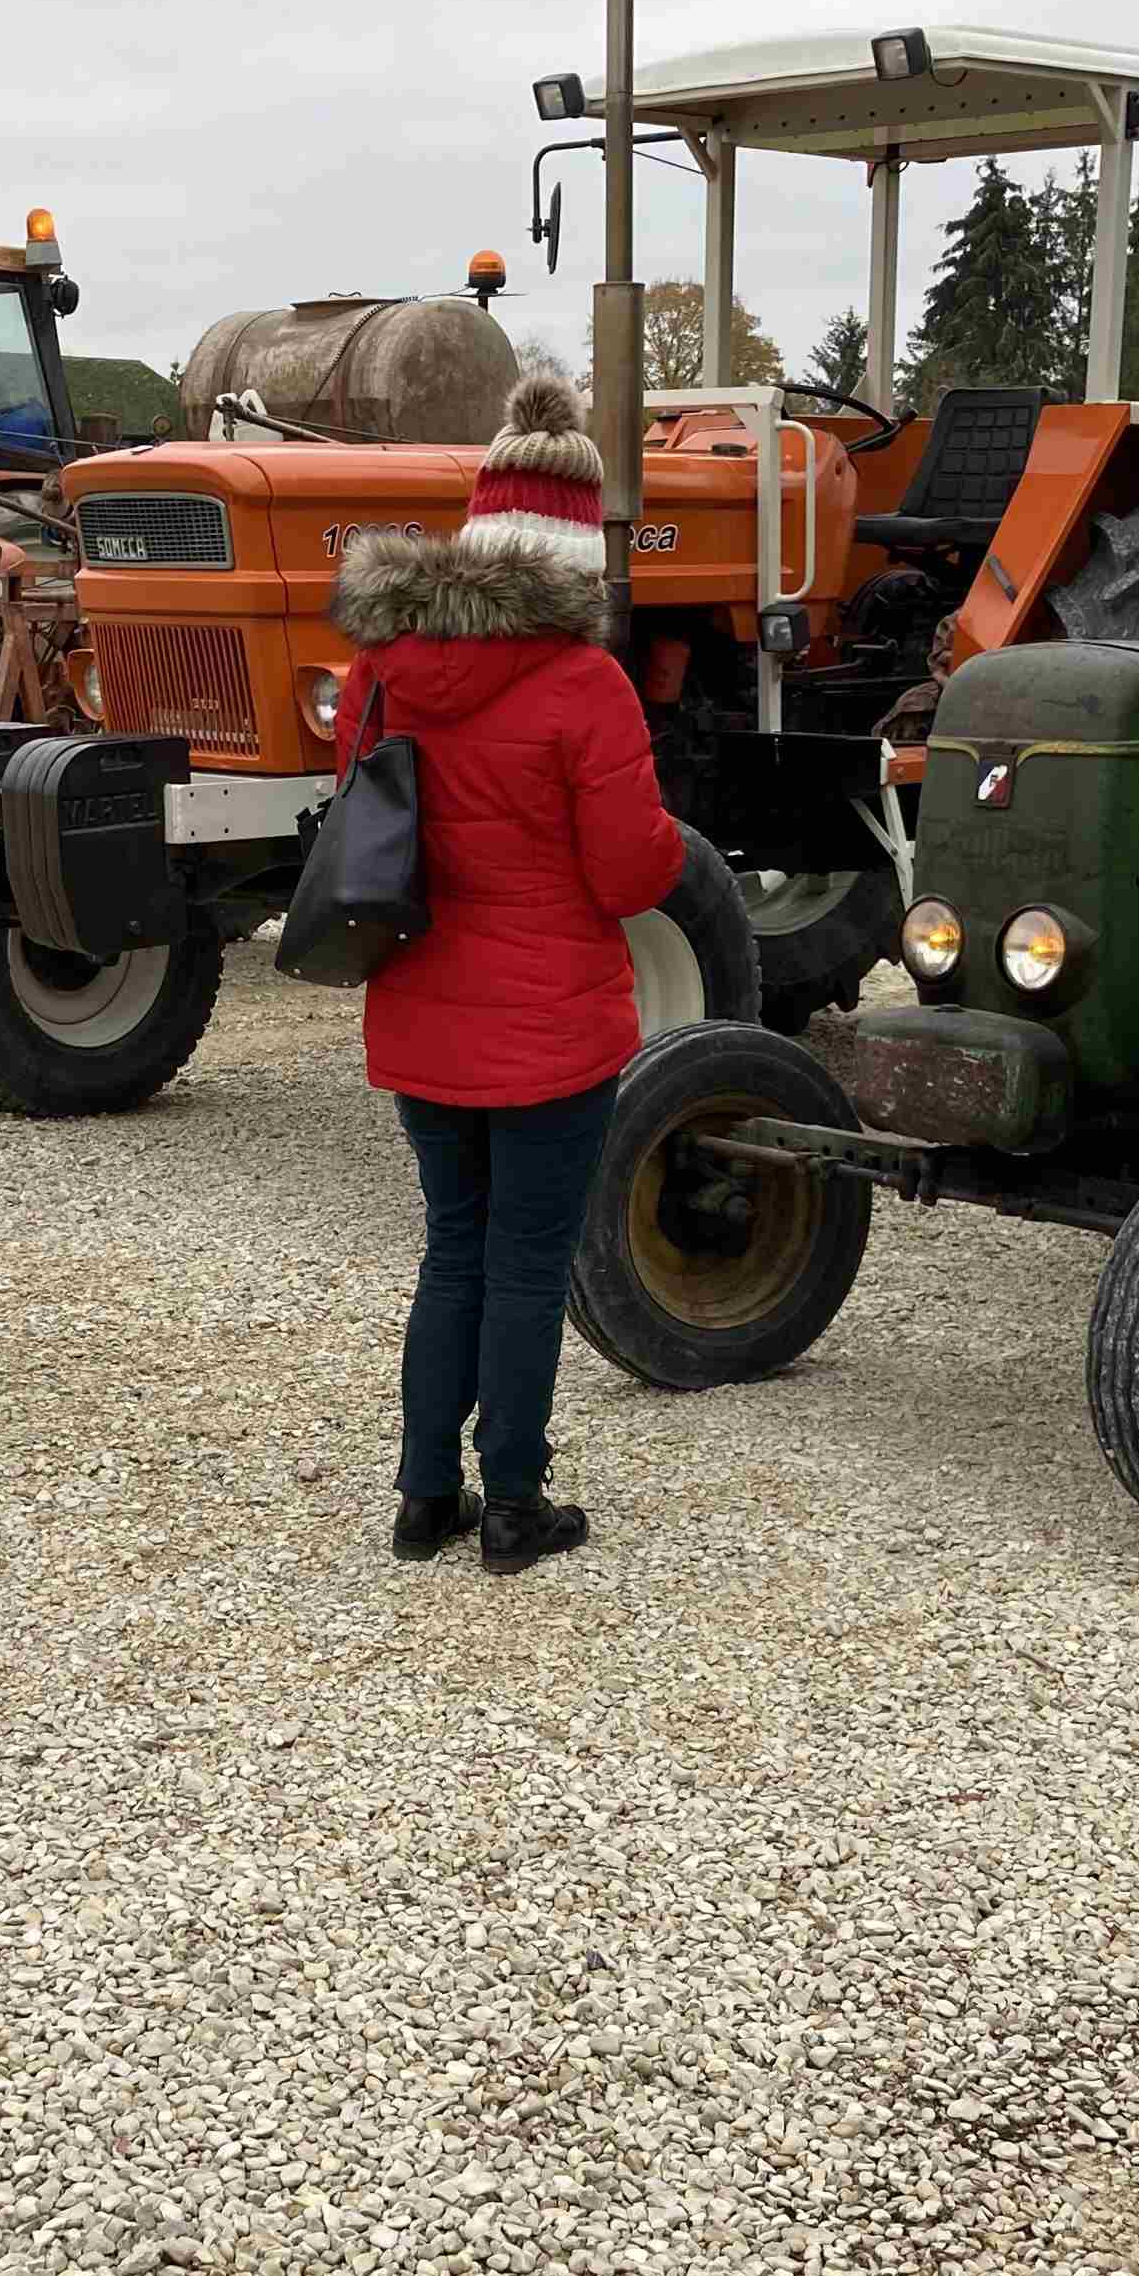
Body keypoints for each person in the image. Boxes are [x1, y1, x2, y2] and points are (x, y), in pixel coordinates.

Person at [329, 372, 683, 1575]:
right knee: (528, 1267)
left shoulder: (383, 670)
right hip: (549, 1030)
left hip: (421, 1008)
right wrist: (663, 837)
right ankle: (516, 1505)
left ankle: (425, 1496)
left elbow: (362, 821)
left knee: (454, 1250)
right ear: (578, 557)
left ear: (476, 533)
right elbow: (629, 875)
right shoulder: (586, 685)